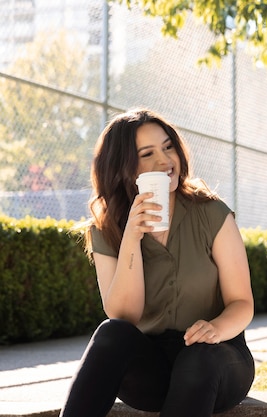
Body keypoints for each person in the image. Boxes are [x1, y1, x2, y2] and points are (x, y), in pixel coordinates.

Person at [60, 108, 255, 417]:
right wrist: (131, 238)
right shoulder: (106, 226)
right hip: (151, 369)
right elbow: (124, 314)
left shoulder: (211, 212)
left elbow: (242, 302)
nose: (165, 161)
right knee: (112, 332)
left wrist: (215, 329)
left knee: (197, 357)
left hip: (218, 358)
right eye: (147, 154)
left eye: (168, 146)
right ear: (123, 168)